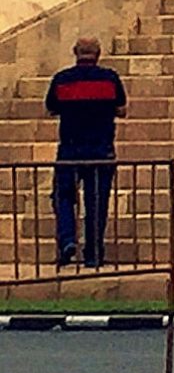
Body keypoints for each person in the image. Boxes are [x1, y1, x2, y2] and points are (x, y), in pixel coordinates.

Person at [45, 35, 126, 267]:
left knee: (63, 197)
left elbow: (51, 107)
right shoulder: (110, 79)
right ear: (98, 54)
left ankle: (68, 240)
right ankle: (94, 253)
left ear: (75, 52)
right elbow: (121, 107)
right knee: (97, 203)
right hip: (101, 150)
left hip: (70, 149)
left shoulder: (62, 80)